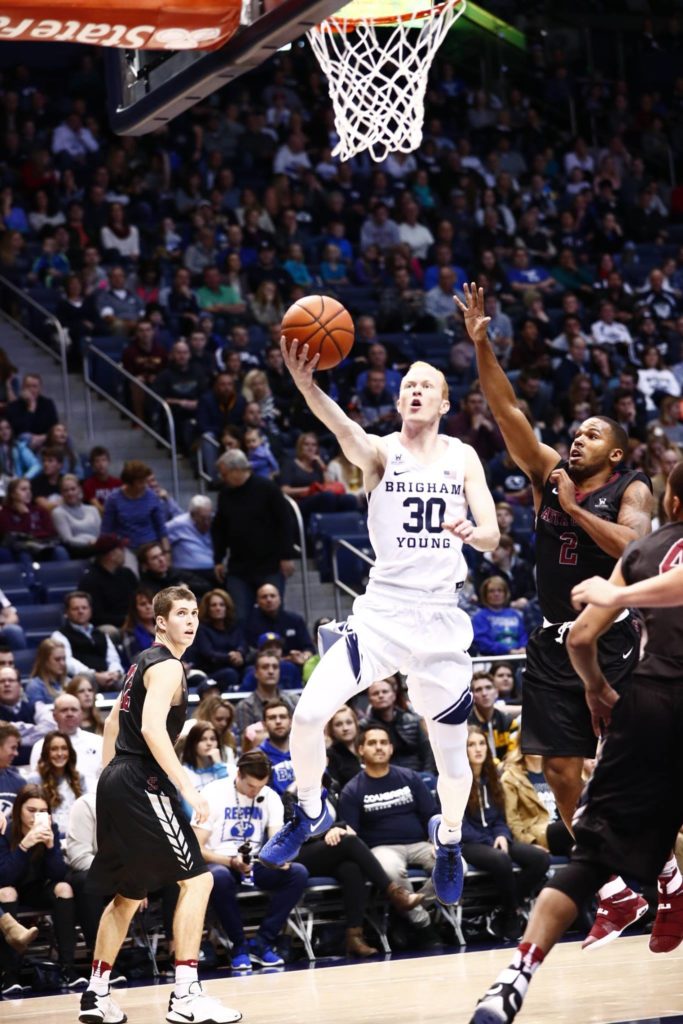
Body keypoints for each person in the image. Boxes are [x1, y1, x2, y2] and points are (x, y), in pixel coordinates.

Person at [260, 344, 499, 912]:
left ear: (443, 402)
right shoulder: (380, 453)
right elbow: (342, 426)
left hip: (441, 618)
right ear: (399, 401)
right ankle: (311, 809)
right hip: (383, 613)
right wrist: (306, 385)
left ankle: (446, 841)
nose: (415, 390)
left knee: (452, 760)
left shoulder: (462, 456)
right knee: (311, 713)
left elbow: (492, 531)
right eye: (408, 384)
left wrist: (473, 532)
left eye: (426, 385)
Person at [457, 282, 654, 938]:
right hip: (549, 639)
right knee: (560, 771)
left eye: (591, 434)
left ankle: (655, 870)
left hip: (615, 639)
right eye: (574, 431)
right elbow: (507, 408)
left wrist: (571, 509)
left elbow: (635, 545)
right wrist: (482, 344)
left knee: (629, 770)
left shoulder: (631, 488)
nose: (576, 439)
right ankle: (615, 885)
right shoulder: (547, 472)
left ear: (616, 453)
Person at [469, 462, 683, 1024]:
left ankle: (515, 975)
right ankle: (667, 883)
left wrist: (596, 689)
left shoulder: (639, 554)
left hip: (648, 703)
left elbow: (583, 635)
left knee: (590, 856)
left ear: (673, 504)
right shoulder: (640, 555)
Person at [80, 585, 241, 1024]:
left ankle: (96, 994)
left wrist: (111, 781)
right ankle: (186, 995)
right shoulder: (168, 665)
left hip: (117, 780)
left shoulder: (138, 665)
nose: (190, 620)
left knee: (129, 894)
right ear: (160, 623)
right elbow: (152, 729)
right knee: (198, 882)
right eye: (181, 613)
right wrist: (186, 788)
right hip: (141, 779)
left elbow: (113, 721)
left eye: (194, 613)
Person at [192, 749, 308, 971]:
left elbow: (275, 841)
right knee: (219, 877)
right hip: (220, 860)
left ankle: (262, 942)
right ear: (238, 774)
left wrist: (278, 858)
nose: (255, 792)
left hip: (255, 862)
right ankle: (239, 945)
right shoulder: (212, 793)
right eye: (250, 787)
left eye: (260, 787)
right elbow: (196, 848)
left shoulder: (270, 796)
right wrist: (231, 861)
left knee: (297, 873)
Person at [462, 728, 550, 942]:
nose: (478, 749)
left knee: (540, 858)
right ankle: (512, 915)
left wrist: (501, 835)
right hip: (469, 842)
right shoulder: (455, 781)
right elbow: (458, 825)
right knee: (501, 859)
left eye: (481, 744)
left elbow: (502, 816)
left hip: (495, 839)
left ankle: (502, 909)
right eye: (471, 745)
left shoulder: (494, 777)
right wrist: (489, 841)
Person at [0, 784, 82, 992]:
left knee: (64, 888)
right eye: (31, 810)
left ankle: (67, 968)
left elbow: (58, 874)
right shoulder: (7, 831)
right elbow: (5, 876)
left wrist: (51, 847)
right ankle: (10, 974)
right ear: (18, 809)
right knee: (7, 891)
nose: (37, 816)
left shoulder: (50, 830)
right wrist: (24, 846)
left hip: (37, 889)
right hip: (11, 890)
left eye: (43, 811)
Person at [211, 450, 296, 622]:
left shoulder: (267, 488)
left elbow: (285, 523)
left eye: (224, 473)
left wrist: (287, 556)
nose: (222, 477)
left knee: (273, 613)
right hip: (239, 566)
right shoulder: (224, 494)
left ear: (237, 470)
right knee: (239, 615)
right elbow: (219, 528)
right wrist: (218, 559)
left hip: (269, 564)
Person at [28, 692, 104, 792]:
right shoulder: (40, 746)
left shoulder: (98, 741)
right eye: (64, 710)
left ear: (81, 713)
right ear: (54, 715)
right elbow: (36, 783)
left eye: (74, 709)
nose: (69, 714)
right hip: (55, 801)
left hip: (94, 799)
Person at [360, 677, 436, 774]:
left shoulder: (412, 721)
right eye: (376, 693)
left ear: (394, 695)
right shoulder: (364, 727)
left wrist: (427, 775)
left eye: (385, 692)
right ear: (369, 699)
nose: (381, 696)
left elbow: (427, 750)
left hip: (416, 773)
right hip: (382, 776)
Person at [52, 591, 124, 691]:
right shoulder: (59, 635)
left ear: (90, 610)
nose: (80, 611)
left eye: (84, 608)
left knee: (131, 683)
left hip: (109, 678)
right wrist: (94, 675)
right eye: (75, 608)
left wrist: (114, 673)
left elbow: (113, 658)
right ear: (66, 612)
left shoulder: (101, 633)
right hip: (80, 680)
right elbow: (67, 662)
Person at [27, 730, 85, 841]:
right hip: (48, 840)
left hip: (76, 839)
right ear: (46, 753)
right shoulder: (35, 779)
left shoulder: (78, 777)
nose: (59, 753)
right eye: (54, 749)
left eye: (64, 748)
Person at [77, 534, 138, 630]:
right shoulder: (90, 581)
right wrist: (125, 620)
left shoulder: (127, 574)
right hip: (110, 626)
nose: (124, 553)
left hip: (135, 621)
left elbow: (139, 597)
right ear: (111, 555)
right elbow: (95, 617)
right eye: (121, 549)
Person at [191, 588, 246, 690]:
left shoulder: (234, 626)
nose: (218, 608)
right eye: (214, 605)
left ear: (227, 607)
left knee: (252, 670)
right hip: (213, 672)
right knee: (230, 673)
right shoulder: (202, 629)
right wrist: (229, 657)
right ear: (208, 609)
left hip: (236, 666)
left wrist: (239, 653)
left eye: (222, 605)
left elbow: (242, 644)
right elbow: (208, 653)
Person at [234, 651, 297, 736]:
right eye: (265, 667)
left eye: (275, 667)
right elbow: (247, 742)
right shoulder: (245, 706)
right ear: (256, 673)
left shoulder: (294, 701)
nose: (271, 671)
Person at [472, 576, 528, 655]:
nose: (496, 594)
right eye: (491, 591)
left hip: (519, 654)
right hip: (494, 657)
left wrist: (523, 647)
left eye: (500, 590)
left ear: (505, 594)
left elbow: (523, 635)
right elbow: (482, 641)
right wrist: (508, 651)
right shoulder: (480, 616)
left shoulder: (515, 614)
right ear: (485, 595)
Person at [467, 671, 516, 763]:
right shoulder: (467, 725)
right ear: (472, 697)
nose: (484, 693)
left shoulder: (508, 722)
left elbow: (514, 754)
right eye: (478, 690)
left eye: (488, 688)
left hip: (506, 771)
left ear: (496, 692)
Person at [52, 474, 101, 555]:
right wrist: (90, 543)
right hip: (77, 550)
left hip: (97, 548)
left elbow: (101, 534)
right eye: (66, 490)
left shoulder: (93, 510)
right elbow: (67, 540)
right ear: (61, 493)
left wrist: (99, 544)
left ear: (79, 490)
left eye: (73, 489)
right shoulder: (58, 512)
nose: (70, 493)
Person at [325, 704, 362, 790]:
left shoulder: (367, 746)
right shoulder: (330, 755)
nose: (345, 728)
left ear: (356, 724)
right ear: (332, 730)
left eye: (349, 723)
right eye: (338, 724)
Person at [25, 638, 68, 705]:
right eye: (57, 659)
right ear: (45, 661)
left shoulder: (68, 682)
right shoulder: (35, 686)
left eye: (64, 659)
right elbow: (39, 713)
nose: (62, 663)